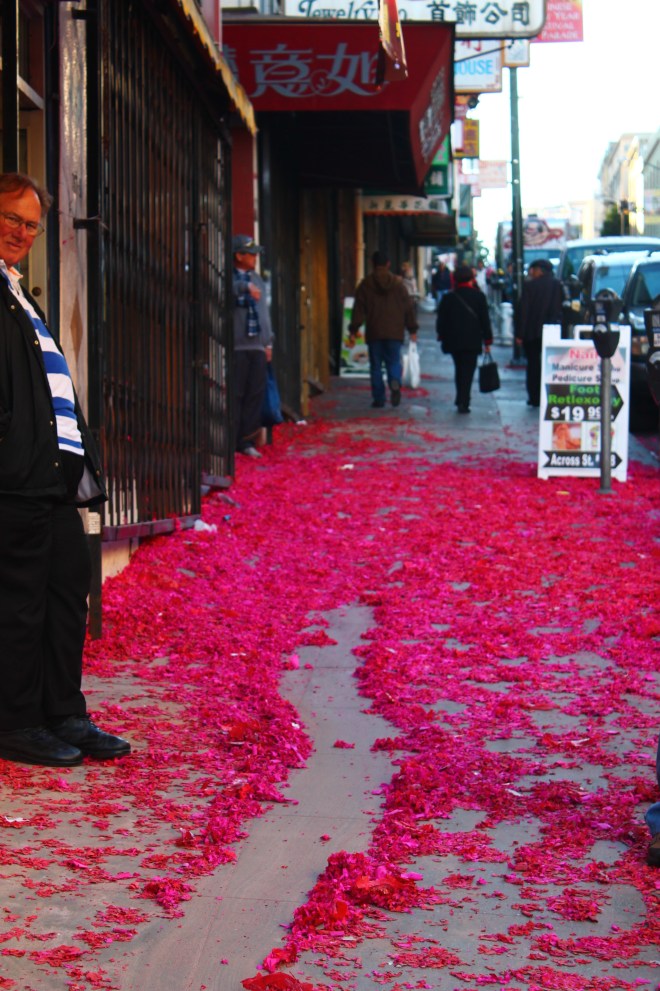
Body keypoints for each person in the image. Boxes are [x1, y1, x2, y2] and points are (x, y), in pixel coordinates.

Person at [0, 172, 131, 767]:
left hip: (50, 479)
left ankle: (63, 712)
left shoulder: (20, 294)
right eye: (11, 217)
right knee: (19, 602)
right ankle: (17, 719)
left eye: (31, 224)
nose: (22, 232)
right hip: (14, 478)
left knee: (65, 595)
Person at [349, 250, 418, 409]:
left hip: (375, 331)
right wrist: (412, 329)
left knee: (375, 366)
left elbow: (358, 310)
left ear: (373, 264)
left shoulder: (366, 284)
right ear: (388, 264)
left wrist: (354, 329)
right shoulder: (398, 285)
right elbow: (408, 308)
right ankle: (394, 380)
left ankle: (379, 398)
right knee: (393, 361)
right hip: (395, 332)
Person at [233, 234, 274, 458]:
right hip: (237, 345)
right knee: (236, 394)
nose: (255, 258)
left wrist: (268, 341)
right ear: (239, 256)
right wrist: (243, 287)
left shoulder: (257, 279)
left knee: (255, 394)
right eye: (251, 254)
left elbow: (264, 314)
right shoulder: (228, 278)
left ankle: (247, 439)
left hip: (257, 345)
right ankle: (233, 438)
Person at [436, 263, 493, 414]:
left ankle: (460, 397)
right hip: (472, 340)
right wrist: (488, 340)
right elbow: (485, 320)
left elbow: (441, 319)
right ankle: (464, 400)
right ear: (471, 278)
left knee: (459, 369)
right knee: (468, 371)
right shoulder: (479, 297)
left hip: (454, 340)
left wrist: (441, 335)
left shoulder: (449, 297)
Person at [516, 258, 563, 407]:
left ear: (540, 270)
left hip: (532, 332)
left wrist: (520, 333)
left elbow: (523, 311)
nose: (531, 272)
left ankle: (534, 396)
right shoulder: (557, 285)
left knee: (533, 365)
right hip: (553, 331)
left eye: (533, 269)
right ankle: (549, 395)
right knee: (552, 365)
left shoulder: (530, 286)